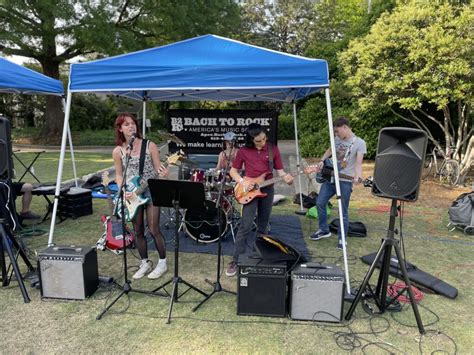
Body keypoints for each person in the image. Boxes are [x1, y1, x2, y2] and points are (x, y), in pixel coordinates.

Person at [226, 123, 293, 277]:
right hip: (249, 189)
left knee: (263, 225)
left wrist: (287, 178)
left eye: (264, 139)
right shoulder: (243, 151)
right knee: (246, 225)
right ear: (250, 140)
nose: (262, 142)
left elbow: (281, 172)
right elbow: (233, 171)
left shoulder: (272, 149)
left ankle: (259, 257)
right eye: (258, 141)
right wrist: (243, 182)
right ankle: (236, 260)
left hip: (267, 189)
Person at [112, 113, 169, 280]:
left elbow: (159, 168)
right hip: (131, 193)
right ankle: (144, 262)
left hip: (150, 189)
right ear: (120, 129)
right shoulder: (118, 151)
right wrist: (123, 190)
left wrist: (164, 173)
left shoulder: (149, 145)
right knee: (138, 231)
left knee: (153, 228)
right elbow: (119, 175)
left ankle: (162, 262)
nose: (131, 126)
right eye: (127, 124)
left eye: (133, 123)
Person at [310, 116, 366, 249]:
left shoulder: (360, 143)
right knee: (320, 203)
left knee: (343, 211)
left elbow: (358, 163)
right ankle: (324, 230)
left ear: (345, 128)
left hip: (345, 181)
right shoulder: (337, 139)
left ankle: (342, 239)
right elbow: (330, 150)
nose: (336, 134)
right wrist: (322, 160)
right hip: (330, 179)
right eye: (335, 132)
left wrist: (358, 176)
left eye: (337, 131)